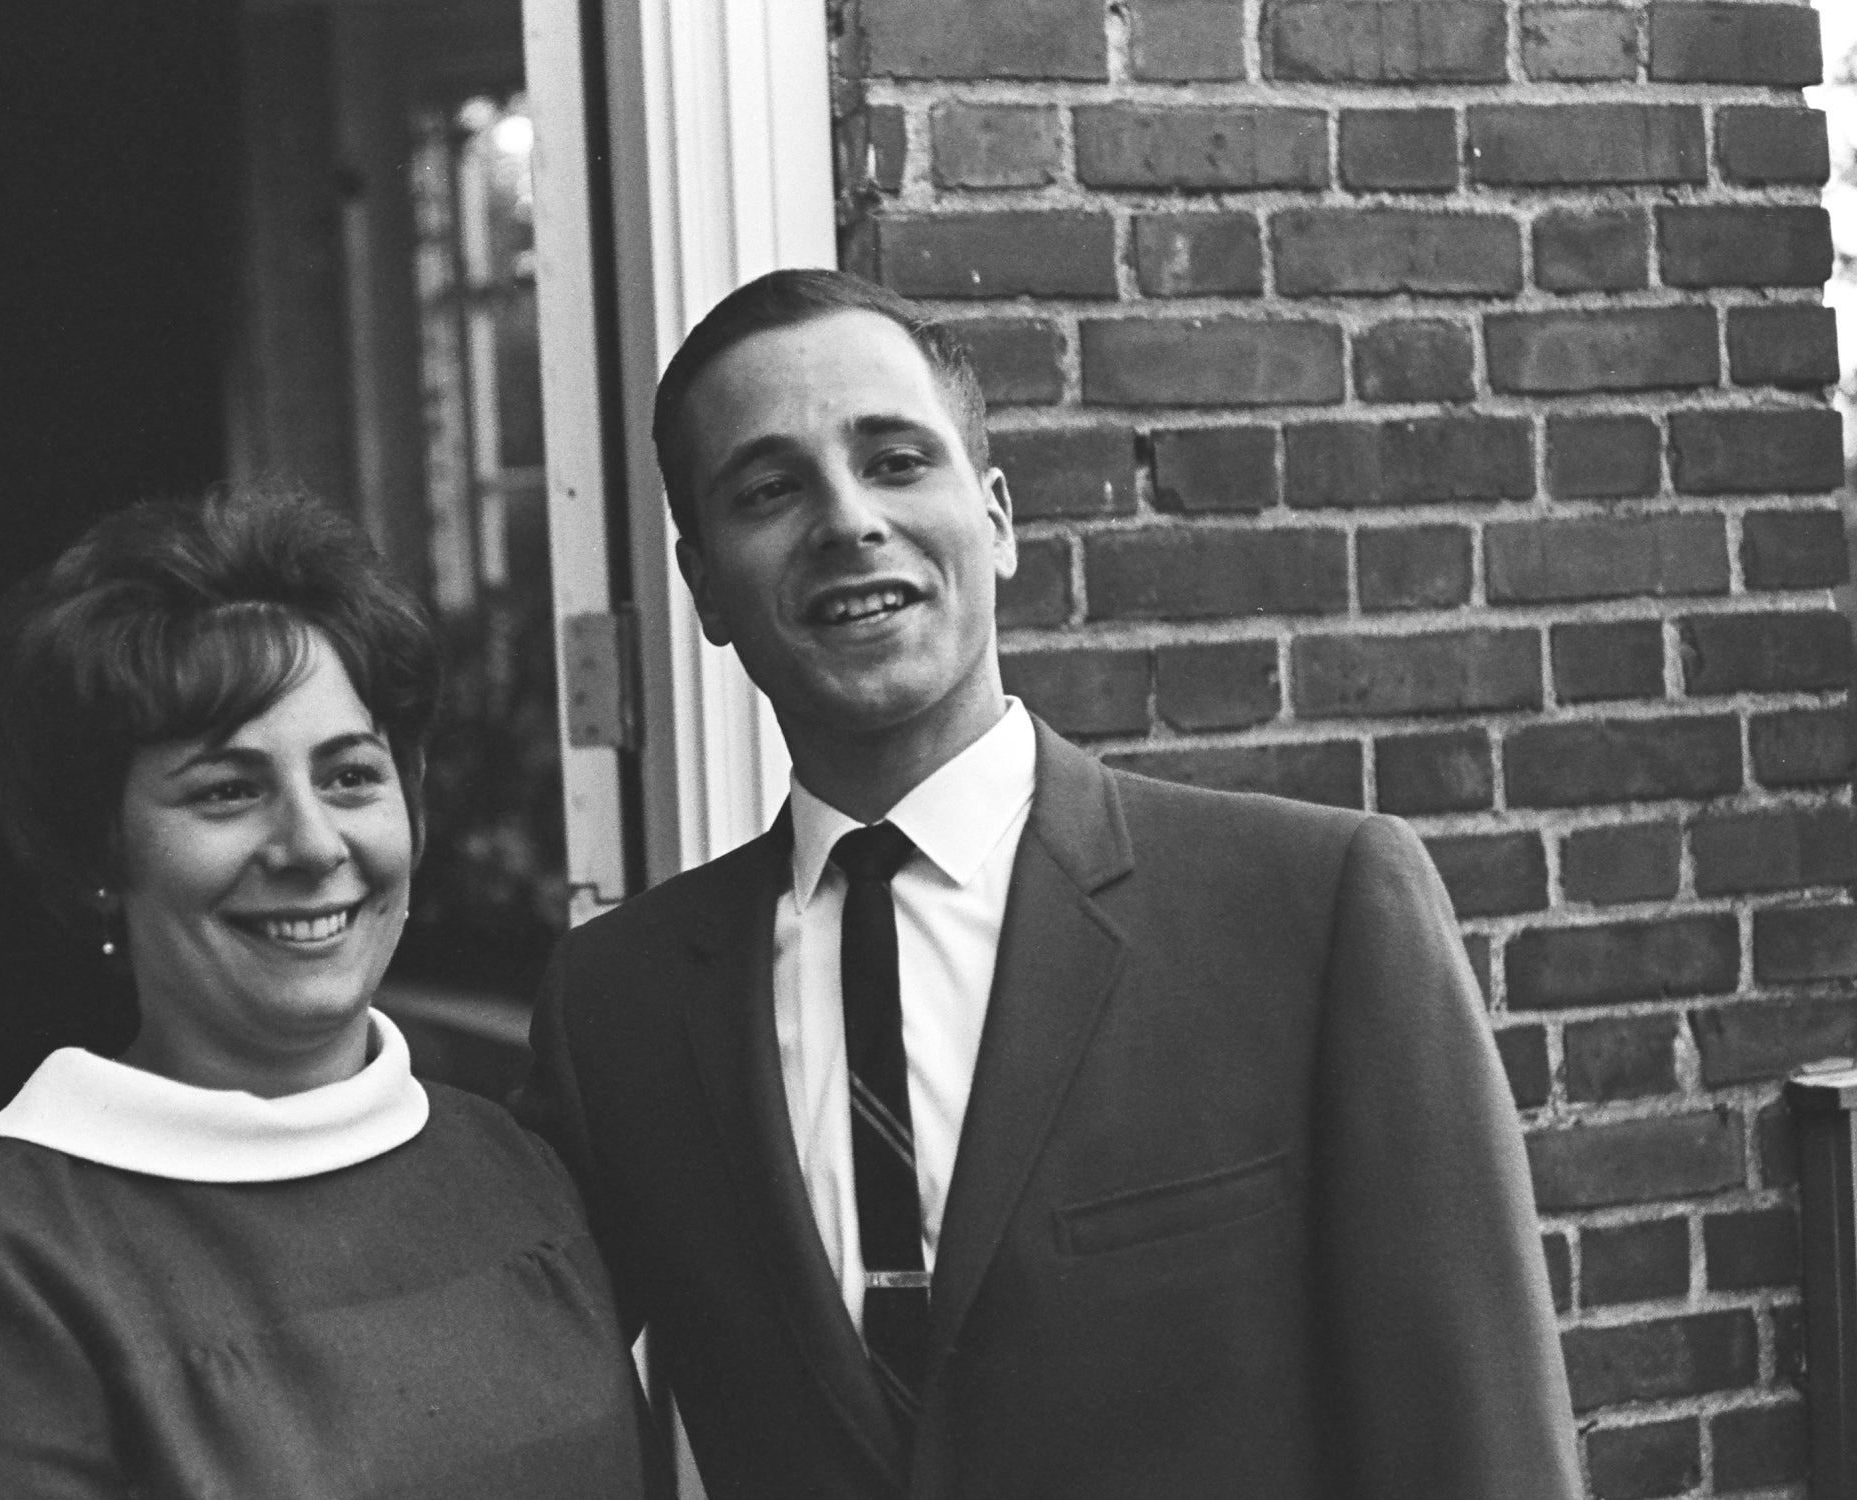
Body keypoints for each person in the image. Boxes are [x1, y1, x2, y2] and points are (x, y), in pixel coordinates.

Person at [516, 270, 1583, 1500]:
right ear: (704, 586)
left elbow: (1482, 1450)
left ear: (998, 519)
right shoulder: (620, 1007)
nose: (847, 520)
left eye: (897, 460)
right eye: (769, 490)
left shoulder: (1312, 912)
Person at [0, 487, 646, 1499]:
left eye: (351, 777)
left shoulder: (516, 1167)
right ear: (98, 852)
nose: (312, 845)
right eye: (227, 790)